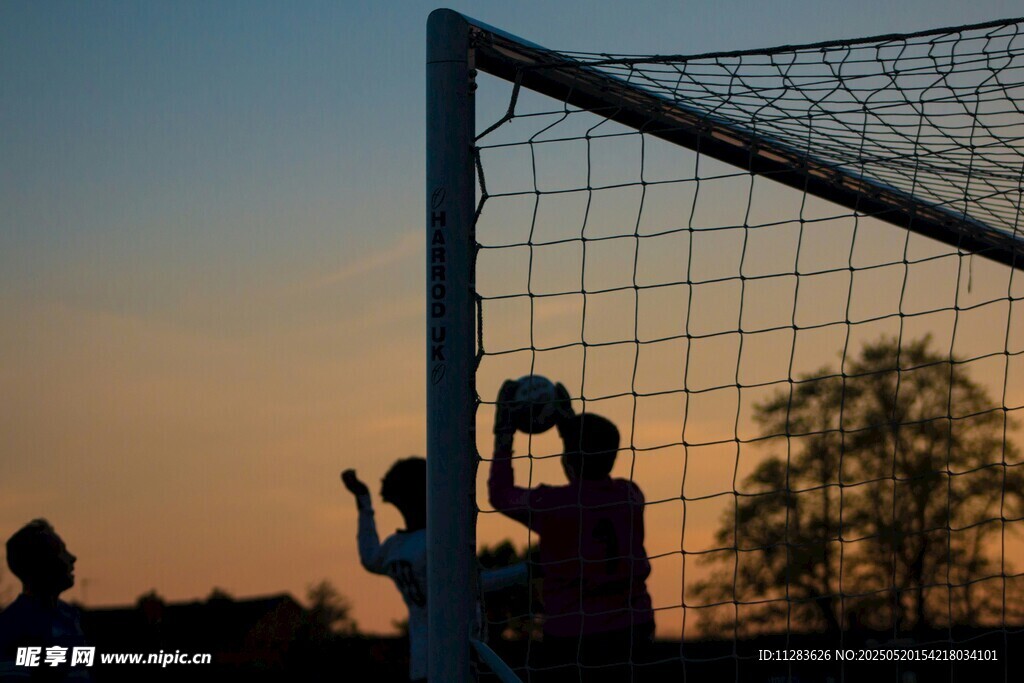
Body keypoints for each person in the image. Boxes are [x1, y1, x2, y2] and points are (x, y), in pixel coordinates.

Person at [488, 380, 654, 682]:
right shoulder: (631, 496)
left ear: (567, 458)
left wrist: (504, 434)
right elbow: (583, 463)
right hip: (634, 629)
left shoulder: (553, 506)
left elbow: (501, 495)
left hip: (574, 635)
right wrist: (569, 425)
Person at [341, 459, 426, 683]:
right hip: (430, 663)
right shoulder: (398, 546)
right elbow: (370, 557)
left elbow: (370, 558)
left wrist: (364, 501)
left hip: (452, 658)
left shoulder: (433, 543)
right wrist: (363, 502)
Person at [0, 519, 91, 681]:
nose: (72, 558)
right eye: (62, 551)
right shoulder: (14, 626)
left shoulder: (71, 617)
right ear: (40, 564)